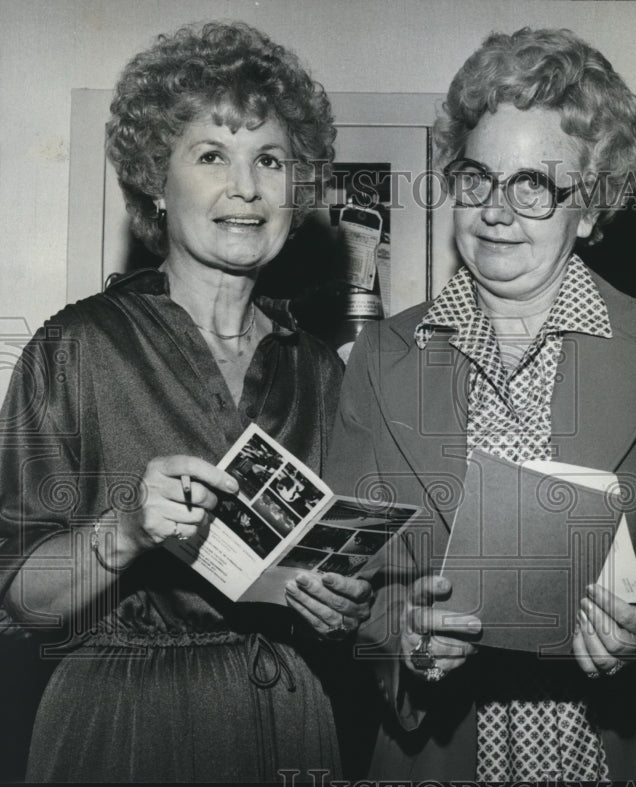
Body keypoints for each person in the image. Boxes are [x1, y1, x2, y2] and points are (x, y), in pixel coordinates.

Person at [325, 27, 636, 780]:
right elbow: (348, 573)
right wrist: (404, 635)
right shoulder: (380, 357)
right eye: (476, 177)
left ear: (587, 209)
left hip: (635, 742)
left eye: (533, 184)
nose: (497, 210)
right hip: (450, 744)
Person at [0, 22, 372, 782]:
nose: (246, 188)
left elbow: (341, 580)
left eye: (269, 159)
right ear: (155, 182)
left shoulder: (322, 373)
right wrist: (128, 528)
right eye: (211, 155)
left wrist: (344, 607)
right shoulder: (75, 348)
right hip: (124, 724)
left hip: (293, 720)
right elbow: (22, 602)